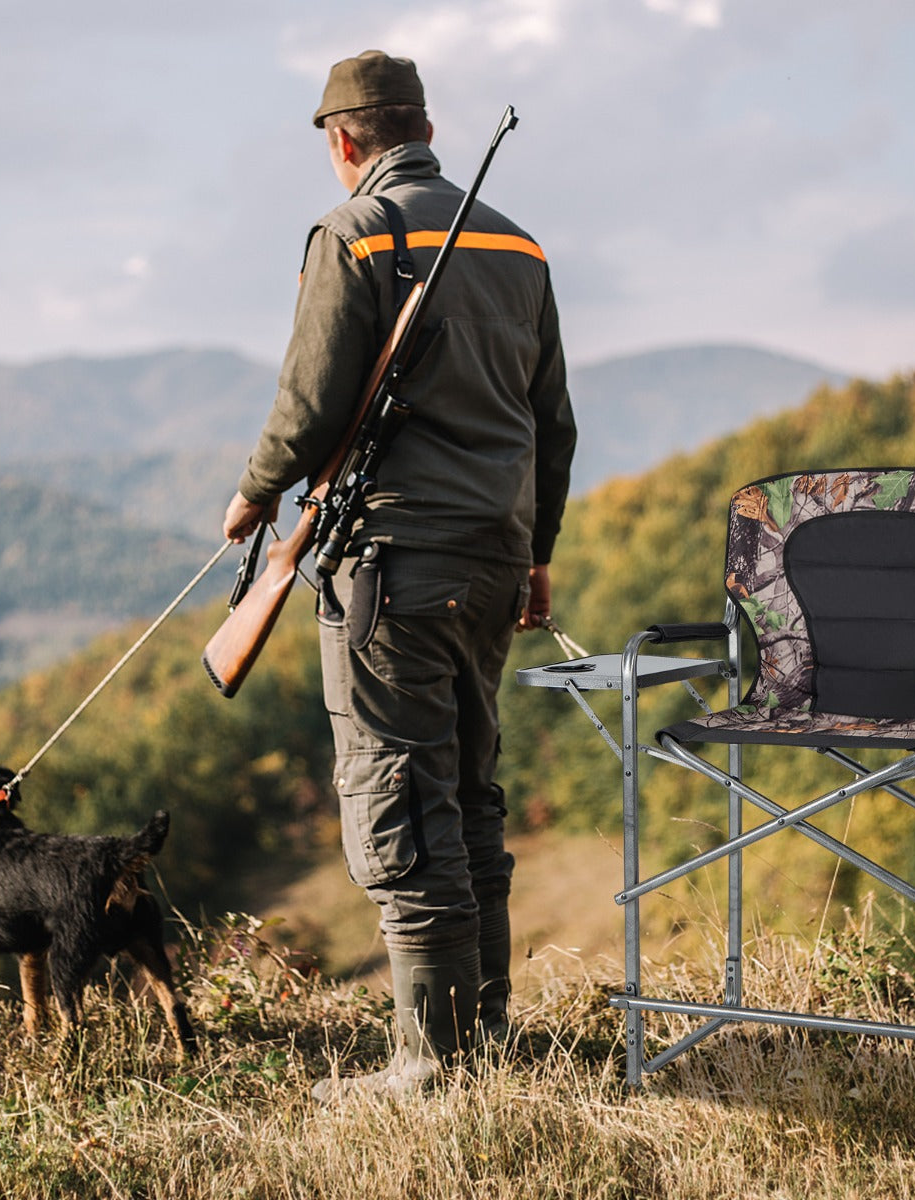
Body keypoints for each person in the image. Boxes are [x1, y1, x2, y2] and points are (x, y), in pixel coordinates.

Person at [222, 50, 576, 1100]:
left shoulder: (353, 232)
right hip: (495, 555)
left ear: (344, 142)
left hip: (394, 562)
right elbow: (551, 420)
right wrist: (539, 549)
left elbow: (313, 394)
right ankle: (489, 1041)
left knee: (397, 796)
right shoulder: (518, 241)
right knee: (467, 796)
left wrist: (255, 491)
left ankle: (429, 1066)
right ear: (420, 124)